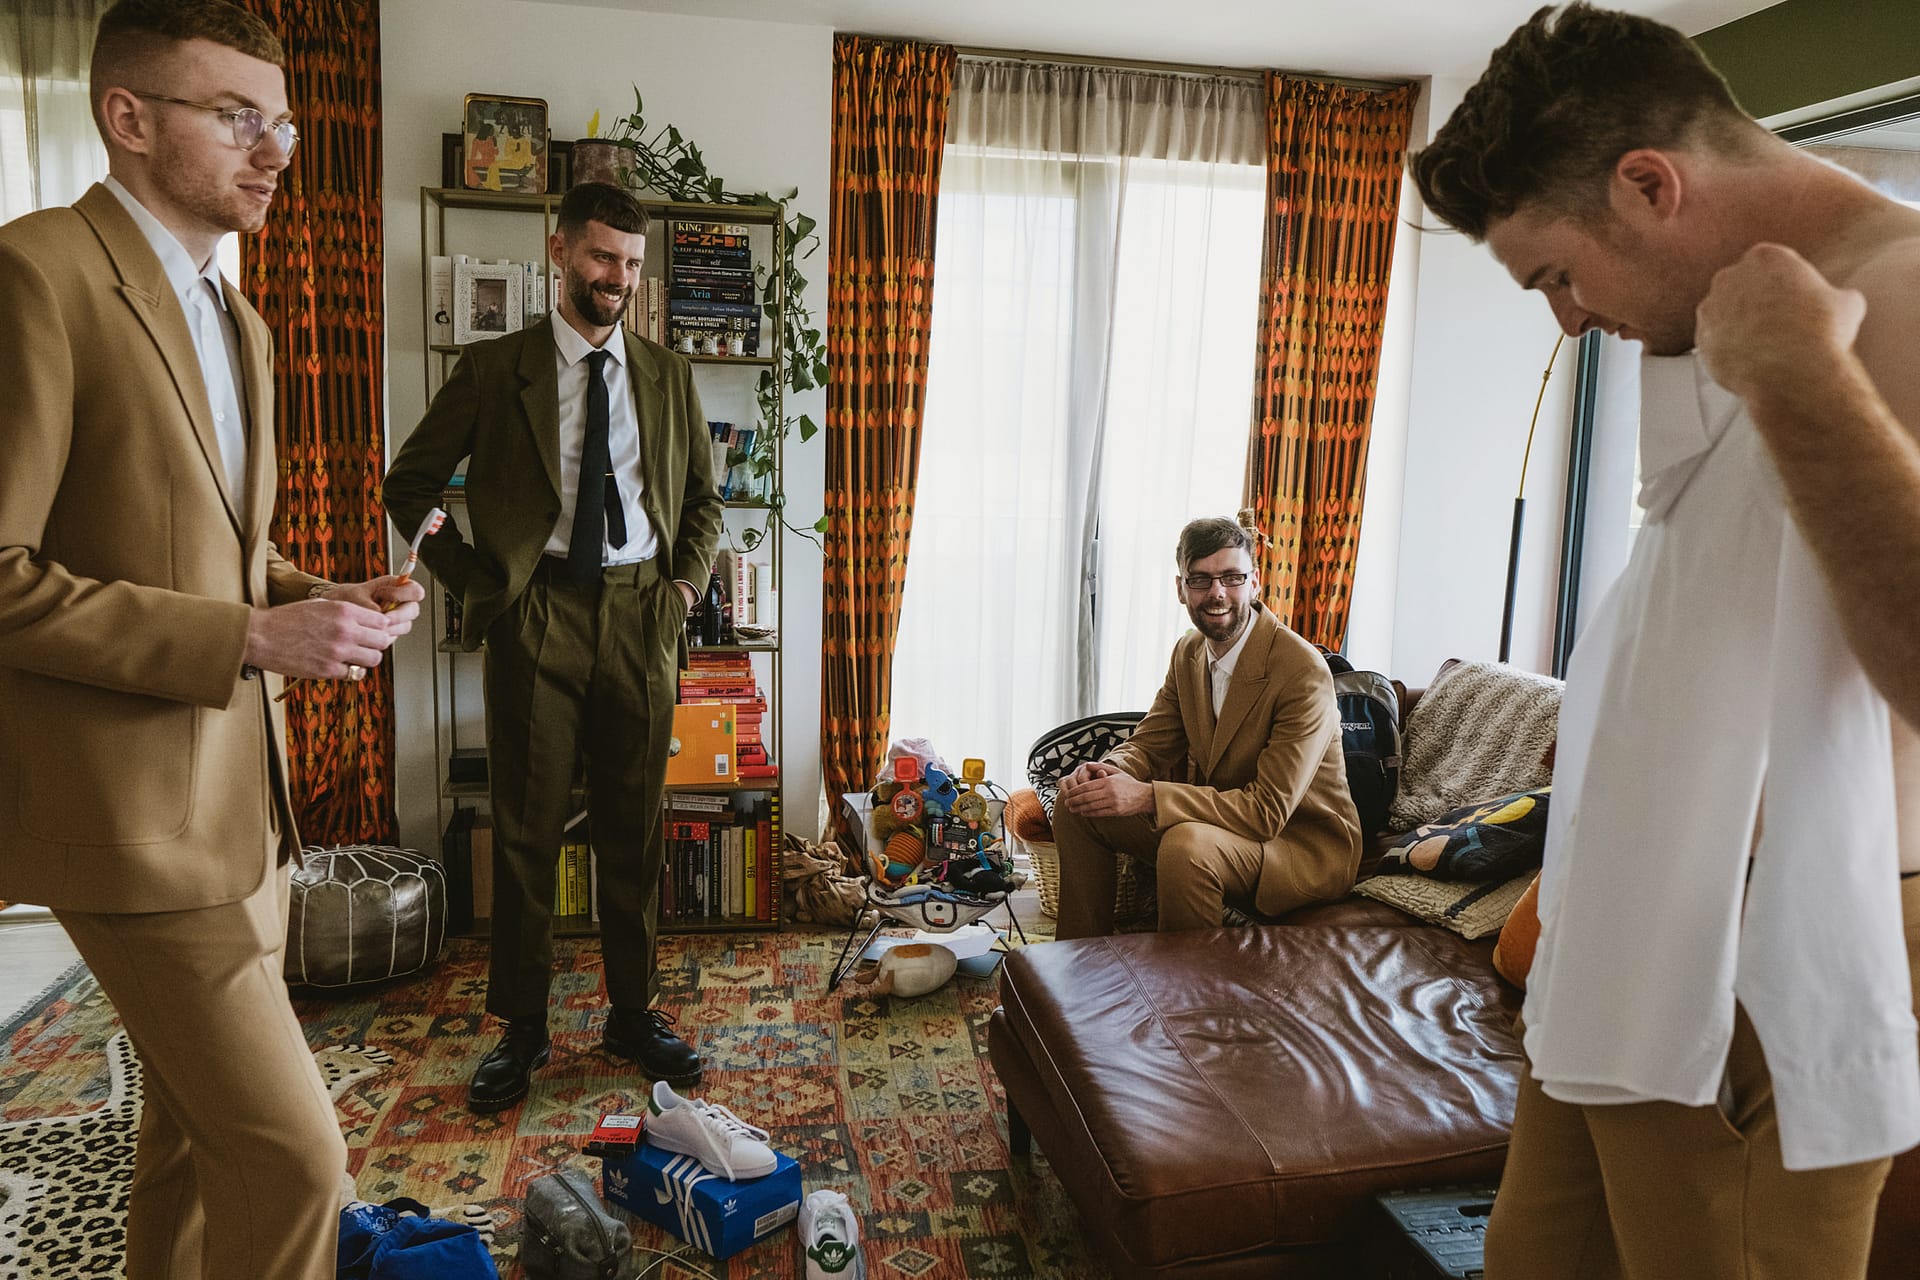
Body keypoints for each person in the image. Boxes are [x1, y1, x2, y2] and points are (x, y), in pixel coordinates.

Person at [1410, 5, 1920, 1277]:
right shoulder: (1726, 320)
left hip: (1756, 952)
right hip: (1623, 935)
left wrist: (1801, 379)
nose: (1568, 323)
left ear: (1649, 182)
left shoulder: (1899, 299)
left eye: (1557, 276)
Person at [0, 2, 423, 1276]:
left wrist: (327, 593)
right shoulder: (37, 276)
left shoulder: (245, 325)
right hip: (130, 816)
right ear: (128, 119)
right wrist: (251, 631)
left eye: (280, 118)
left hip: (250, 808)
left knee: (192, 1141)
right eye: (236, 115)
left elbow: (226, 558)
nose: (277, 147)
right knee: (296, 1157)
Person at [384, 181, 724, 1113]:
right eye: (602, 257)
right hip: (535, 619)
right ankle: (523, 1029)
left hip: (640, 615)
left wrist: (683, 589)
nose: (617, 277)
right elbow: (408, 483)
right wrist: (482, 585)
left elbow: (702, 502)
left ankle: (632, 1011)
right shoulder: (498, 371)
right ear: (560, 252)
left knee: (635, 831)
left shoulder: (666, 374)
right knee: (527, 833)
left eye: (631, 264)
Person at [1050, 514, 1362, 939]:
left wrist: (1145, 796)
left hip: (1298, 847)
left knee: (1186, 847)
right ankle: (1079, 970)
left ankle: (1184, 1001)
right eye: (1200, 580)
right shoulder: (1189, 651)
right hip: (1221, 826)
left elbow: (1266, 813)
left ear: (1255, 584)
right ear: (1180, 589)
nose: (1217, 593)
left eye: (1232, 578)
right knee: (1079, 804)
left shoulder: (1301, 670)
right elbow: (1150, 744)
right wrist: (1108, 772)